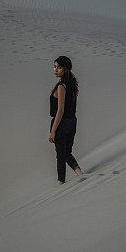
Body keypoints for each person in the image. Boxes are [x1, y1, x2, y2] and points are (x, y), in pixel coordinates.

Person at [49, 55, 82, 183]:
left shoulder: (61, 86)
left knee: (60, 156)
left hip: (62, 123)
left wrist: (53, 130)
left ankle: (61, 184)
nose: (56, 70)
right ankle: (80, 174)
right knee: (67, 152)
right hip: (72, 122)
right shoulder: (72, 84)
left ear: (66, 70)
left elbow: (60, 110)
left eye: (59, 67)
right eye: (55, 66)